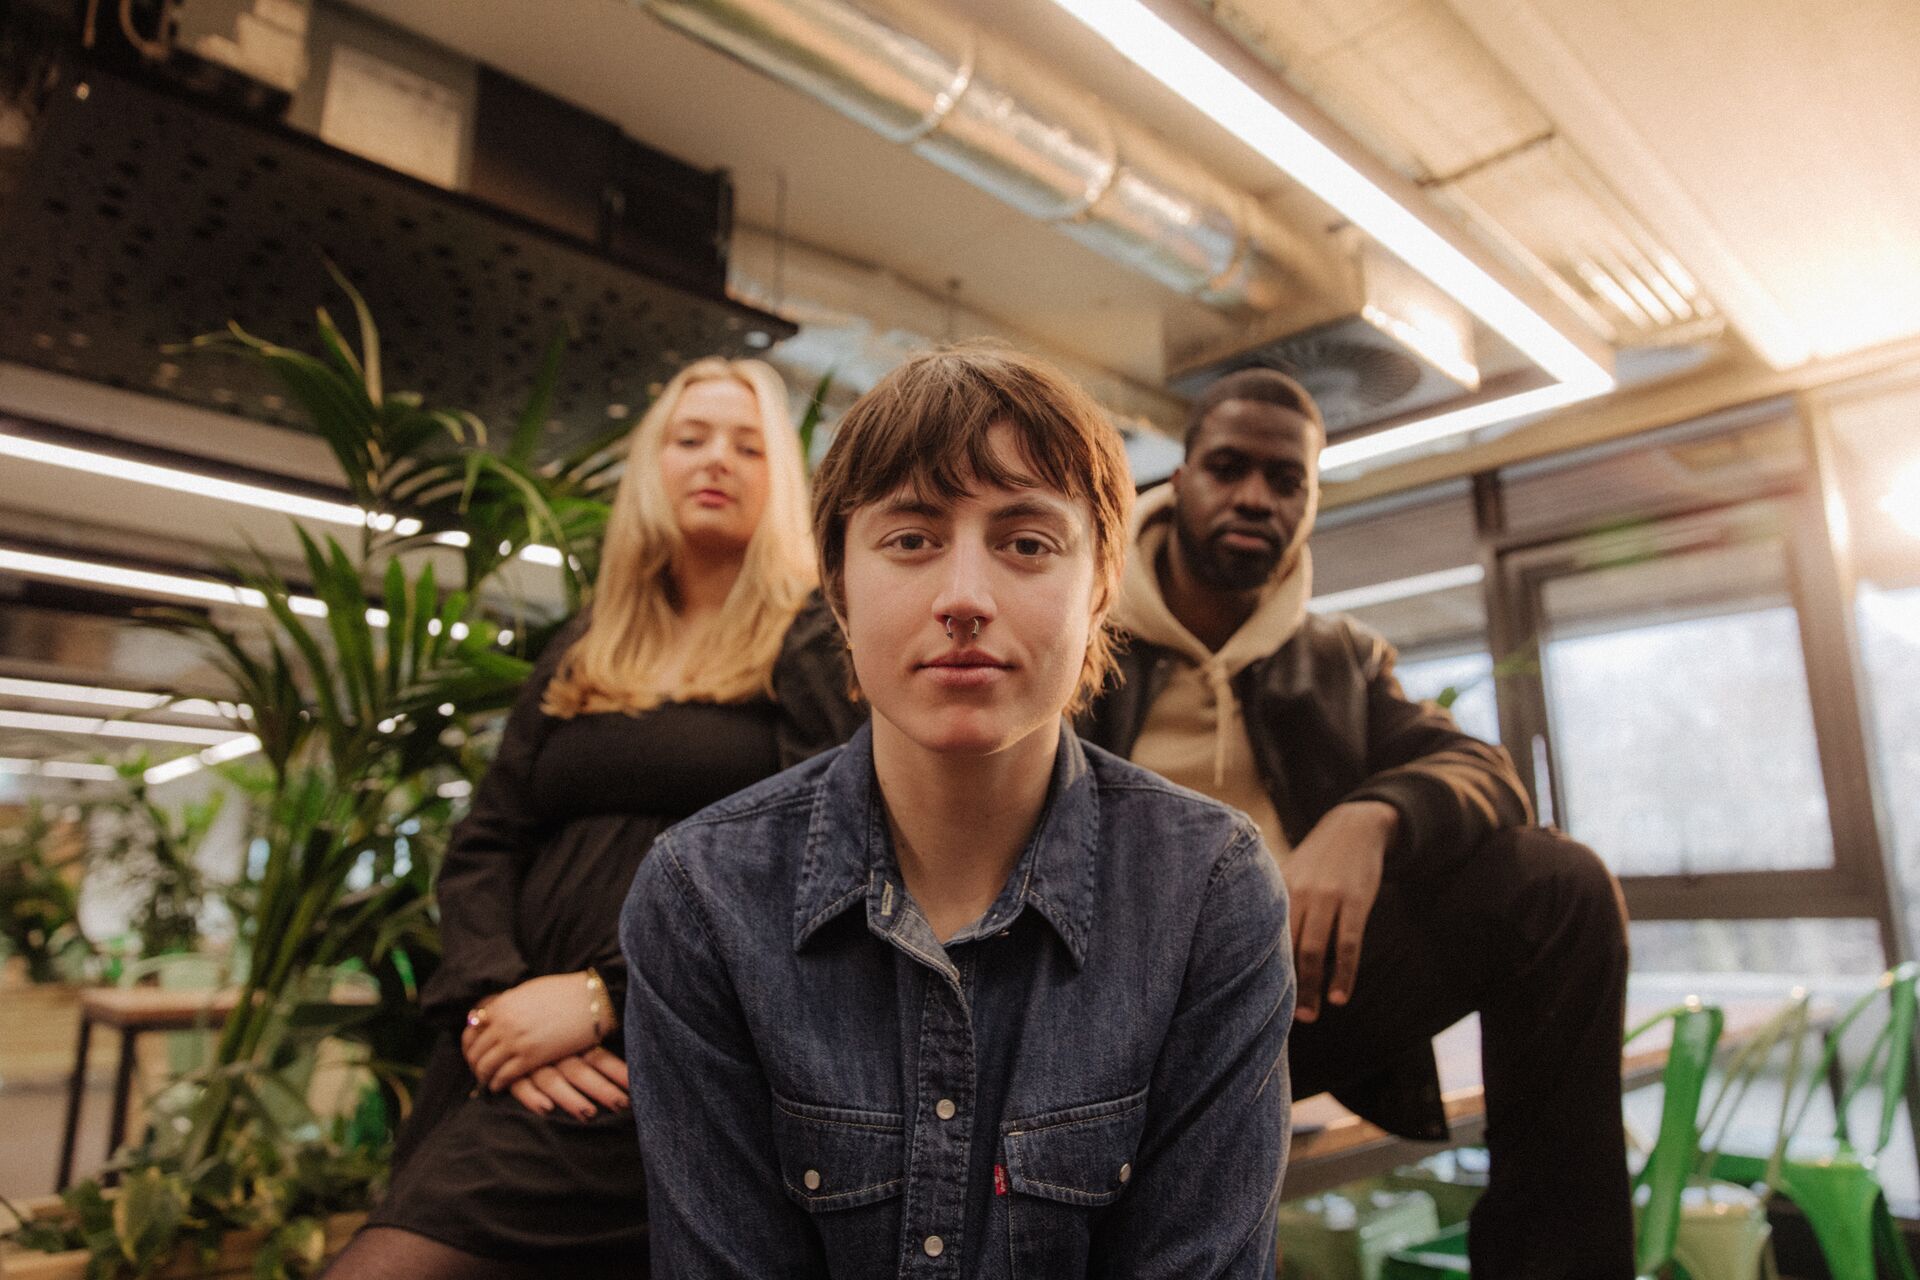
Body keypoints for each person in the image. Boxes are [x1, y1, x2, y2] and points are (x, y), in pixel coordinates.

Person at [621, 346, 1295, 1279]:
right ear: (839, 586)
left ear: (1100, 584)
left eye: (1026, 543)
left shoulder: (1208, 890)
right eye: (910, 539)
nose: (965, 599)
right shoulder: (705, 898)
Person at [1077, 367, 1633, 1278]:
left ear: (1310, 499)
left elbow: (1483, 772)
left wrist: (1369, 818)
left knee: (1557, 888)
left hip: (1291, 993)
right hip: (1110, 1016)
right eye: (1229, 467)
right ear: (1178, 483)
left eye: (1286, 479)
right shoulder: (1082, 628)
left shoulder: (1337, 659)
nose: (1257, 496)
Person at [330, 357, 848, 1280]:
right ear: (654, 466)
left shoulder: (809, 633)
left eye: (748, 444)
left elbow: (810, 853)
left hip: (669, 1049)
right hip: (509, 1038)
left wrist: (603, 997)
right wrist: (499, 1006)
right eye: (689, 440)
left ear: (783, 481)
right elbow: (487, 839)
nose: (715, 461)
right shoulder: (588, 637)